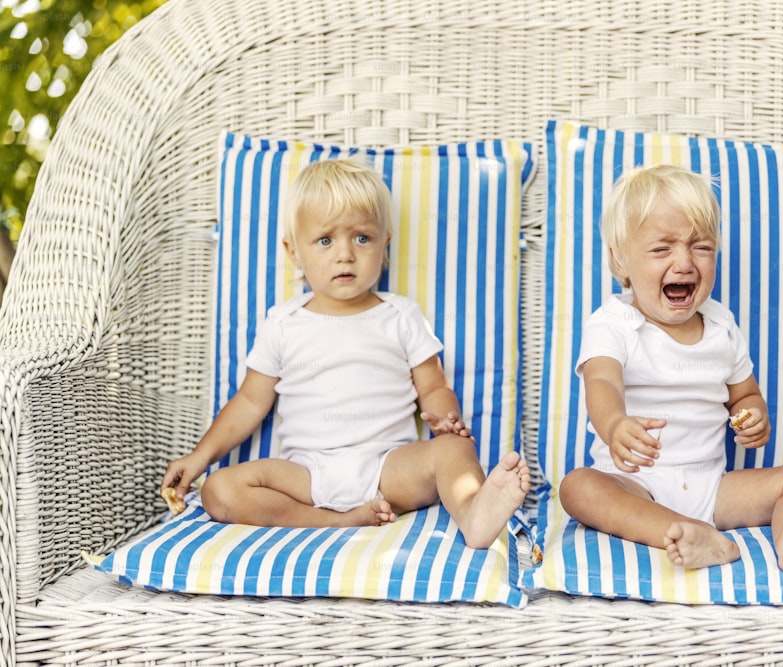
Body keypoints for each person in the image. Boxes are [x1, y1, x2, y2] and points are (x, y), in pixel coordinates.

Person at [161, 158, 530, 549]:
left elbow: (434, 385)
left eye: (362, 238)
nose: (345, 254)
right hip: (306, 475)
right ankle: (329, 522)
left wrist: (445, 418)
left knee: (454, 450)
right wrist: (199, 458)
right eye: (325, 240)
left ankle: (474, 512)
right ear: (293, 252)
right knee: (219, 489)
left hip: (389, 467)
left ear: (384, 244)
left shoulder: (401, 315)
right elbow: (250, 402)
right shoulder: (283, 323)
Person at [558, 164, 783, 573]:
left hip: (712, 486)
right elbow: (601, 379)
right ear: (620, 261)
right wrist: (615, 425)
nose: (685, 262)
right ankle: (688, 533)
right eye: (662, 249)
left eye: (702, 247)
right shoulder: (613, 323)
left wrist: (754, 417)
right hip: (635, 484)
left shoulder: (721, 325)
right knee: (579, 488)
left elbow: (744, 394)